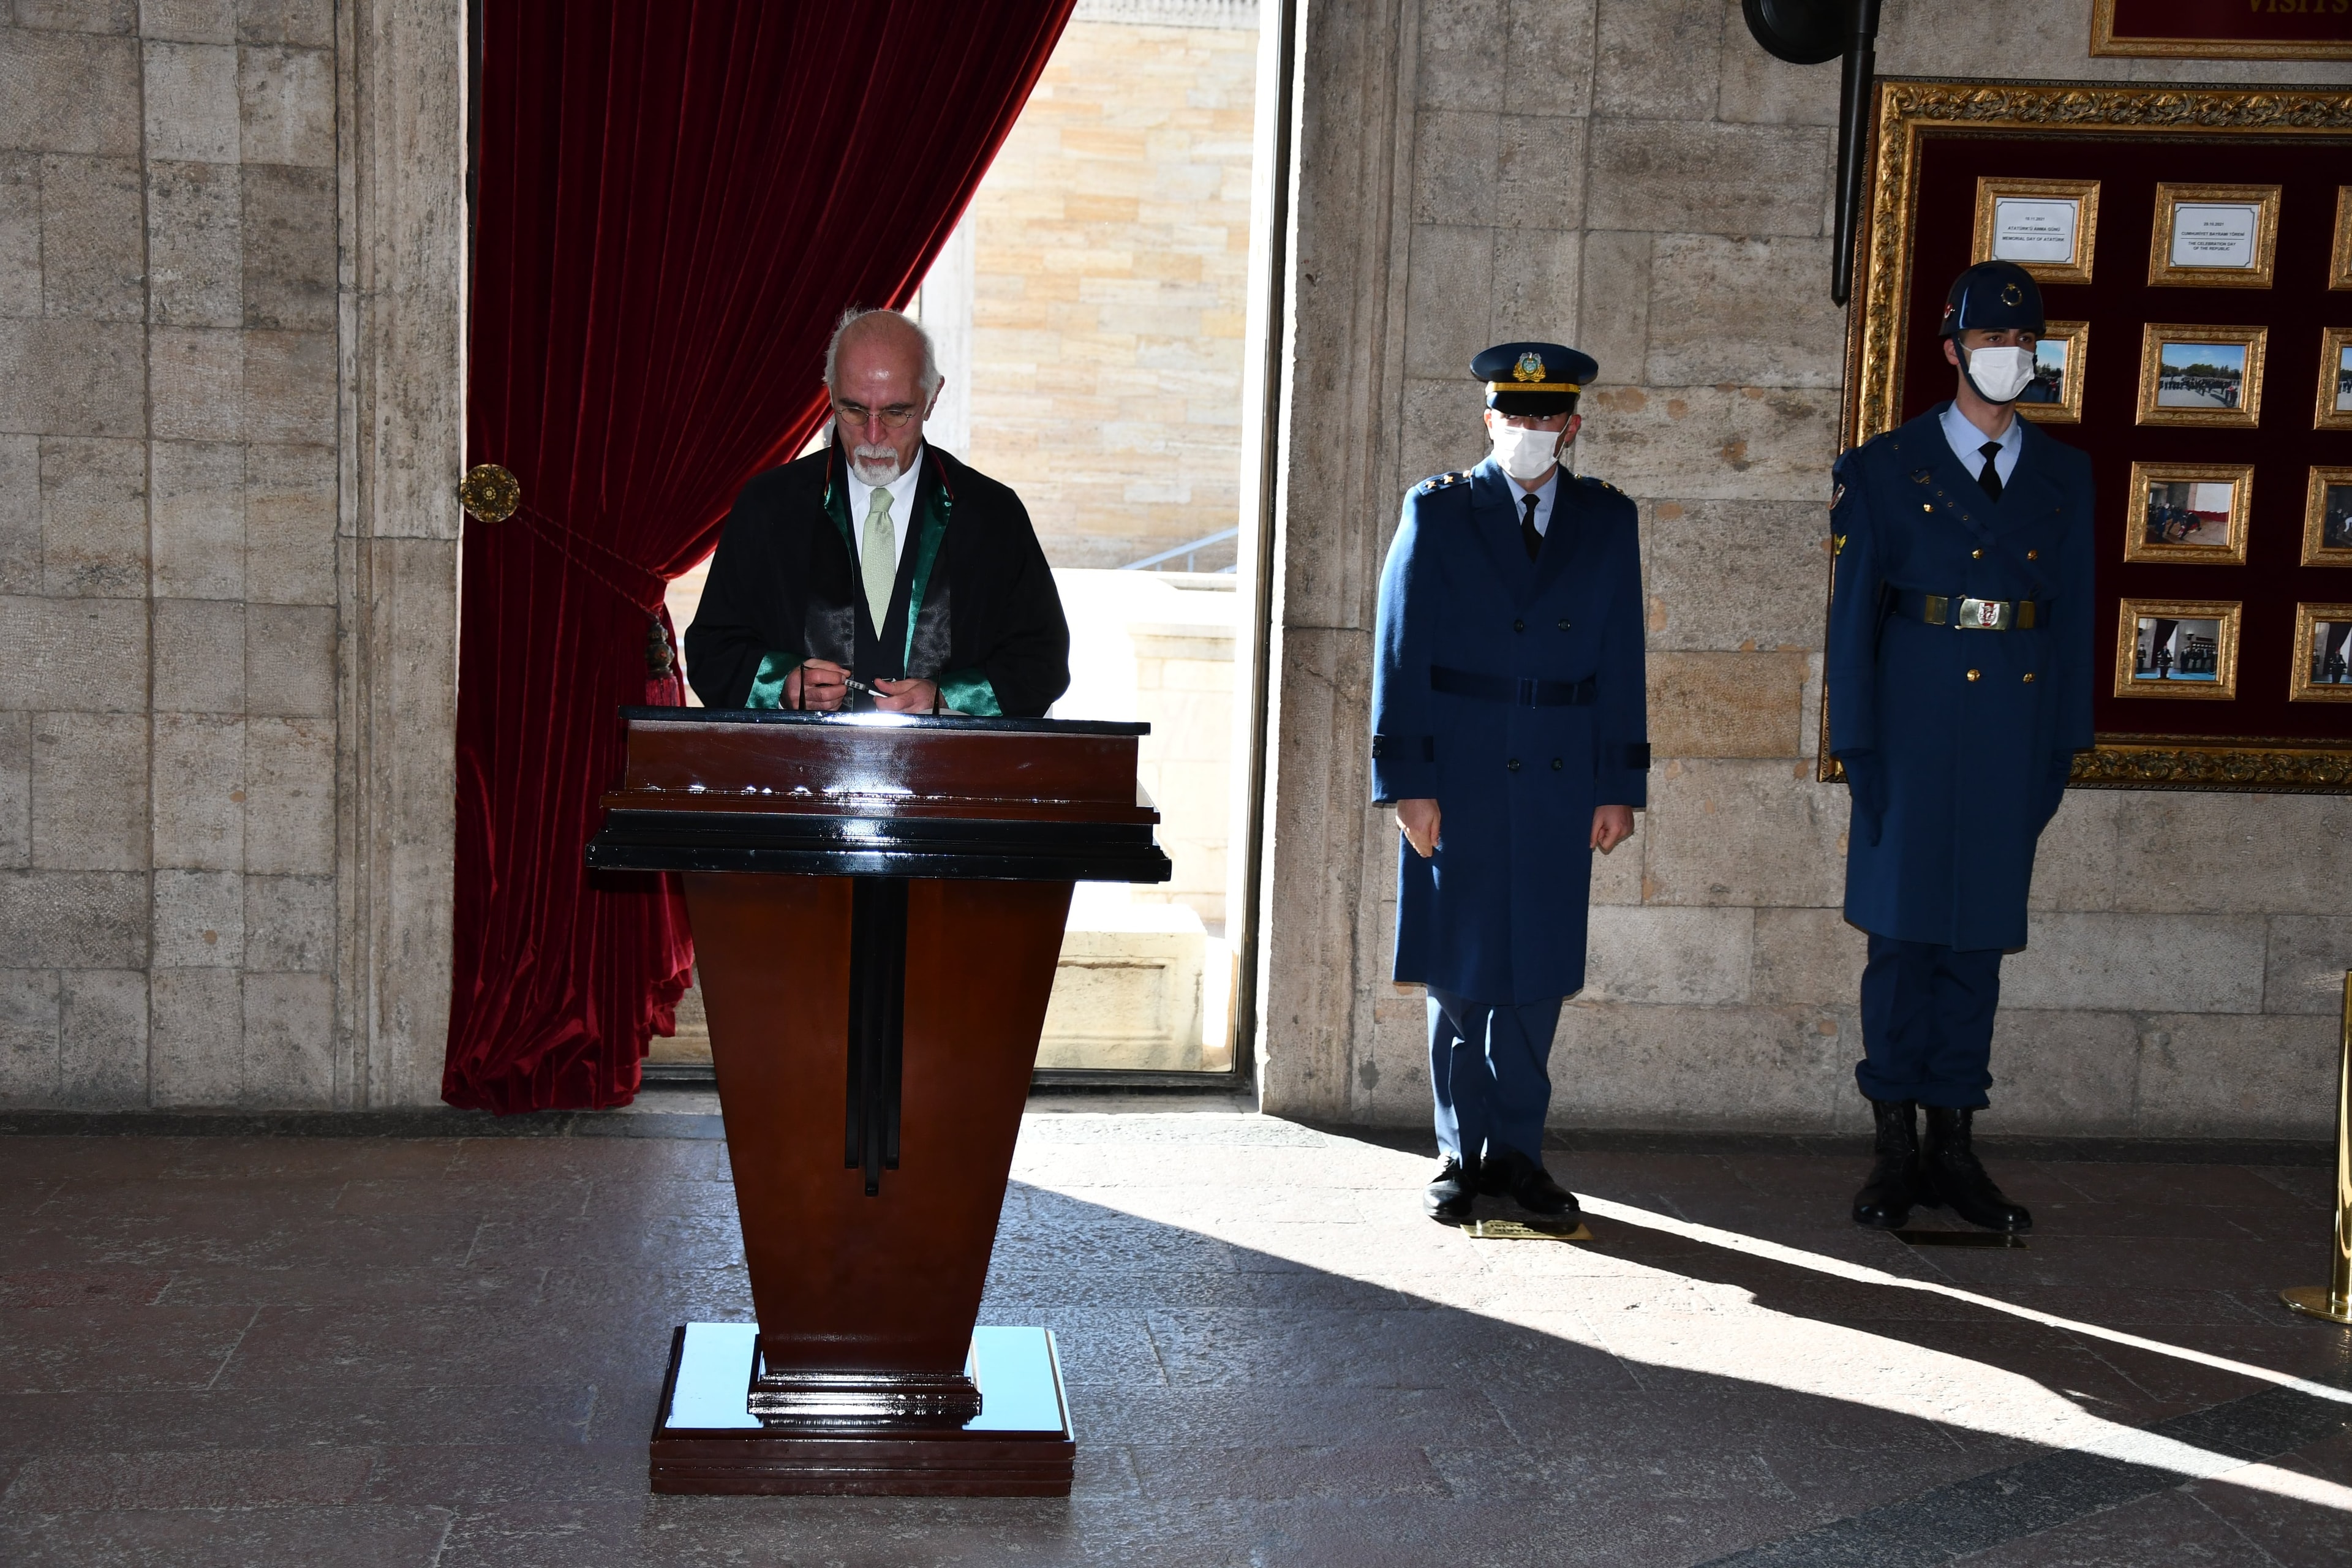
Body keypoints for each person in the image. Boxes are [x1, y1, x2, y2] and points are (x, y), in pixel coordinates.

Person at [1825, 260, 2095, 1236]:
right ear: (1952, 351)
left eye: (2024, 344)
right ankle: (1897, 1146)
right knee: (1900, 947)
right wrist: (1855, 743)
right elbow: (1854, 621)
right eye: (1991, 342)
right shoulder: (1885, 467)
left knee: (1978, 947)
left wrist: (2062, 747)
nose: (2009, 359)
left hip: (2010, 739)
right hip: (1910, 727)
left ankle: (1956, 1145)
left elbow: (2075, 623)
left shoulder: (2066, 476)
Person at [1371, 341, 1649, 1226]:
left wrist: (1619, 785)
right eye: (1513, 415)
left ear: (1572, 424)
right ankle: (1460, 1152)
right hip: (1461, 771)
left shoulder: (1608, 519)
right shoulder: (1439, 509)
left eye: (1545, 417)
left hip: (1563, 776)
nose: (1529, 431)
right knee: (1461, 967)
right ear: (1488, 419)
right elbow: (1400, 651)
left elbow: (1622, 657)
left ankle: (1521, 1154)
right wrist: (1408, 782)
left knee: (1536, 973)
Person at [685, 308, 1070, 717]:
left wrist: (948, 698)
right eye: (852, 411)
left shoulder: (992, 516)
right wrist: (782, 684)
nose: (873, 434)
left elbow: (1041, 662)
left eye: (895, 412)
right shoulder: (768, 507)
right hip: (799, 771)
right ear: (830, 394)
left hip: (948, 773)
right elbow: (712, 651)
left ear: (932, 397)